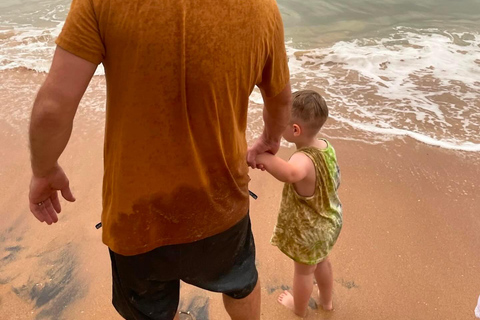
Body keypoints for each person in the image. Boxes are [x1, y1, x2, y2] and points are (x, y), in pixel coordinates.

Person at [27, 0, 291, 318]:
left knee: (148, 309)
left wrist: (44, 169)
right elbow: (280, 98)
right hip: (221, 199)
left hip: (136, 213)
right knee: (240, 283)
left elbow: (53, 106)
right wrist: (270, 140)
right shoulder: (261, 9)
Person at [253, 90, 342, 317]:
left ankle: (299, 308)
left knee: (303, 273)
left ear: (295, 130)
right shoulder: (325, 146)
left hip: (309, 230)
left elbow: (290, 173)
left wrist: (262, 158)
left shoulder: (301, 159)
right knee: (322, 262)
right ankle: (327, 302)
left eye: (281, 124)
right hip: (329, 219)